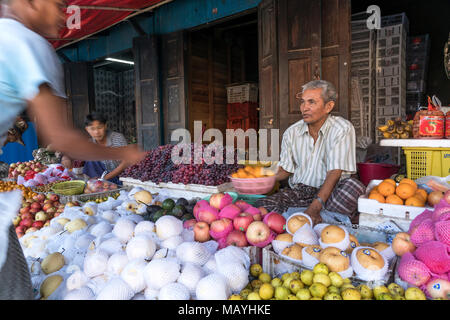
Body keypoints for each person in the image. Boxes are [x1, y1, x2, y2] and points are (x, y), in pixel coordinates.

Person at [0, 0, 146, 299]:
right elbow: (63, 138)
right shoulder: (27, 42)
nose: (64, 14)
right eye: (57, 4)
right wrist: (125, 153)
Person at [255, 80, 366, 225]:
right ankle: (322, 221)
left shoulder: (342, 128)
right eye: (303, 102)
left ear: (328, 106)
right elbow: (285, 170)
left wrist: (314, 207)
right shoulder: (291, 132)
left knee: (353, 187)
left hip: (332, 192)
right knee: (258, 208)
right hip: (300, 192)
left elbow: (335, 172)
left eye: (311, 102)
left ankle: (302, 219)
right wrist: (260, 178)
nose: (304, 108)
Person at [81, 113, 129, 185]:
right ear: (87, 129)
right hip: (101, 182)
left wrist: (104, 178)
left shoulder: (117, 138)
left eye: (100, 127)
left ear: (105, 126)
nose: (96, 132)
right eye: (92, 129)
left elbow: (125, 163)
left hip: (120, 178)